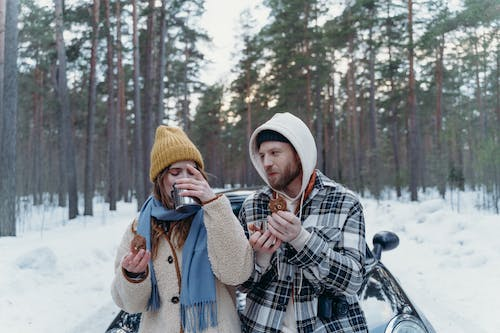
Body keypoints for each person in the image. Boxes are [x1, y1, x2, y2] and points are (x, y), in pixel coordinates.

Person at [111, 125, 254, 333]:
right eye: (175, 172)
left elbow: (237, 274)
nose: (184, 179)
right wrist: (133, 276)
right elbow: (130, 305)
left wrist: (213, 204)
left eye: (192, 172)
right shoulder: (139, 227)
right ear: (161, 179)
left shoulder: (214, 217)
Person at [238, 112, 368, 332]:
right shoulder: (253, 205)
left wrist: (301, 240)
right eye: (261, 155)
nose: (266, 162)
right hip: (263, 326)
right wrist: (260, 258)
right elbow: (241, 284)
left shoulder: (345, 202)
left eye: (275, 153)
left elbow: (353, 281)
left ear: (299, 154)